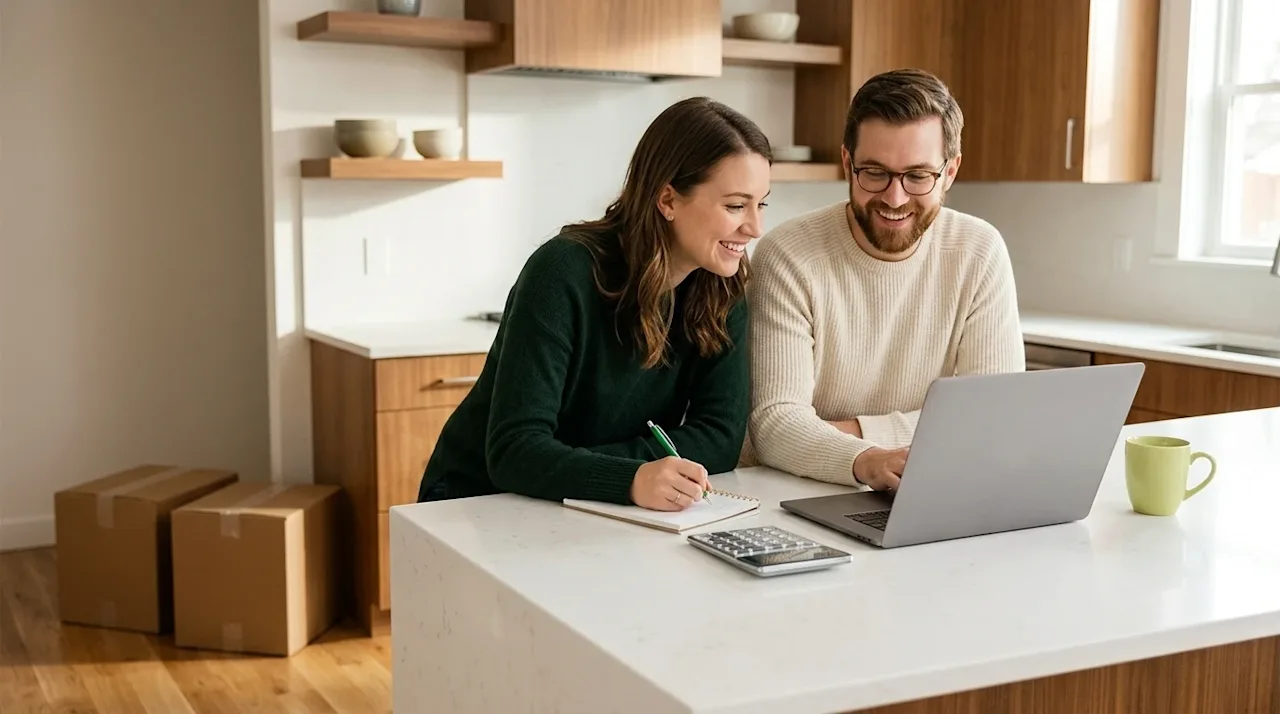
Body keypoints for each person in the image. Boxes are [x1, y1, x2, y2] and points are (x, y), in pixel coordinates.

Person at [417, 96, 771, 512]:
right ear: (668, 200)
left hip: (584, 505)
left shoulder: (722, 288)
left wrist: (599, 470)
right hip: (476, 504)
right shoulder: (562, 271)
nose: (755, 226)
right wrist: (631, 477)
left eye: (761, 203)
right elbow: (515, 451)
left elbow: (719, 439)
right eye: (735, 205)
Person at [745, 68, 1025, 492]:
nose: (894, 199)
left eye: (917, 176)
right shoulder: (788, 255)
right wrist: (868, 461)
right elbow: (775, 425)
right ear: (847, 163)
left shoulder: (978, 250)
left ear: (949, 173)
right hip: (795, 491)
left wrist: (848, 433)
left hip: (929, 486)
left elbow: (996, 415)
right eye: (874, 173)